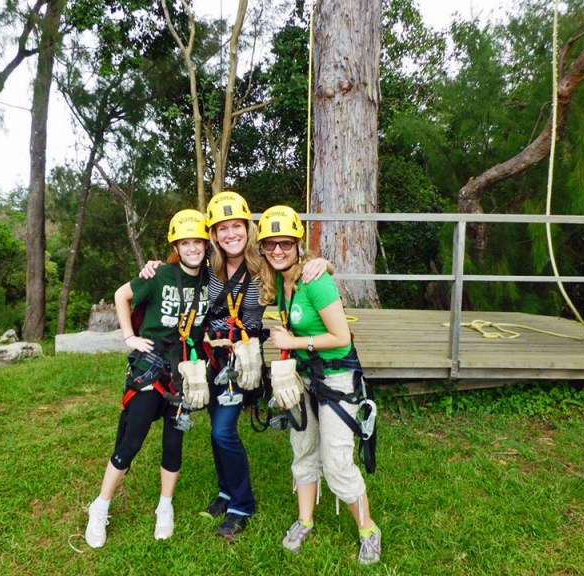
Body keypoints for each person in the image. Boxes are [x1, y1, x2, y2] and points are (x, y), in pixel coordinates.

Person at [140, 191, 329, 538]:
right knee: (216, 424)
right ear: (213, 234)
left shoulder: (262, 262)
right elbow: (178, 263)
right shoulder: (209, 261)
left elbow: (294, 263)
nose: (230, 234)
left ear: (247, 227)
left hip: (243, 358)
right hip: (210, 354)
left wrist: (323, 263)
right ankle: (227, 492)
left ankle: (243, 503)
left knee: (223, 431)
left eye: (236, 226)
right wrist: (153, 266)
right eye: (222, 228)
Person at [257, 205, 381, 565]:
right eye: (270, 244)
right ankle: (305, 520)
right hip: (306, 375)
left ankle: (368, 529)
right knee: (303, 449)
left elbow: (341, 336)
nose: (277, 250)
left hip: (336, 377)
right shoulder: (281, 281)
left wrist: (293, 342)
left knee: (337, 461)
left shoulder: (316, 280)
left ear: (298, 244)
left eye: (285, 243)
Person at [85, 209, 211, 548]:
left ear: (206, 244)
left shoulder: (211, 280)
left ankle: (164, 506)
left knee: (174, 441)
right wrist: (129, 336)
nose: (192, 248)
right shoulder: (160, 275)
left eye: (197, 242)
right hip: (152, 366)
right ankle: (100, 506)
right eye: (185, 243)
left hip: (184, 370)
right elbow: (121, 295)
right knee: (132, 438)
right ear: (176, 247)